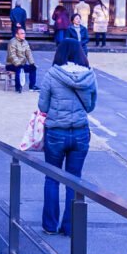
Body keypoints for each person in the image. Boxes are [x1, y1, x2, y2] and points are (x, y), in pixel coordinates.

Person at [38, 39, 97, 235]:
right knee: (74, 179)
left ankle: (49, 225)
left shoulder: (51, 75)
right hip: (80, 131)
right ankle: (70, 226)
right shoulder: (90, 76)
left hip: (56, 131)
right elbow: (90, 106)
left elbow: (43, 106)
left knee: (52, 178)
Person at [5, 25, 38, 93]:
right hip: (11, 64)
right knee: (19, 69)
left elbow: (29, 53)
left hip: (22, 63)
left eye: (24, 33)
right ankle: (18, 87)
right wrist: (18, 64)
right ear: (17, 35)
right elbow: (12, 55)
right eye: (22, 33)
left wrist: (32, 63)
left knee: (33, 68)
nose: (24, 35)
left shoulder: (25, 42)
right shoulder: (12, 42)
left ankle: (32, 86)